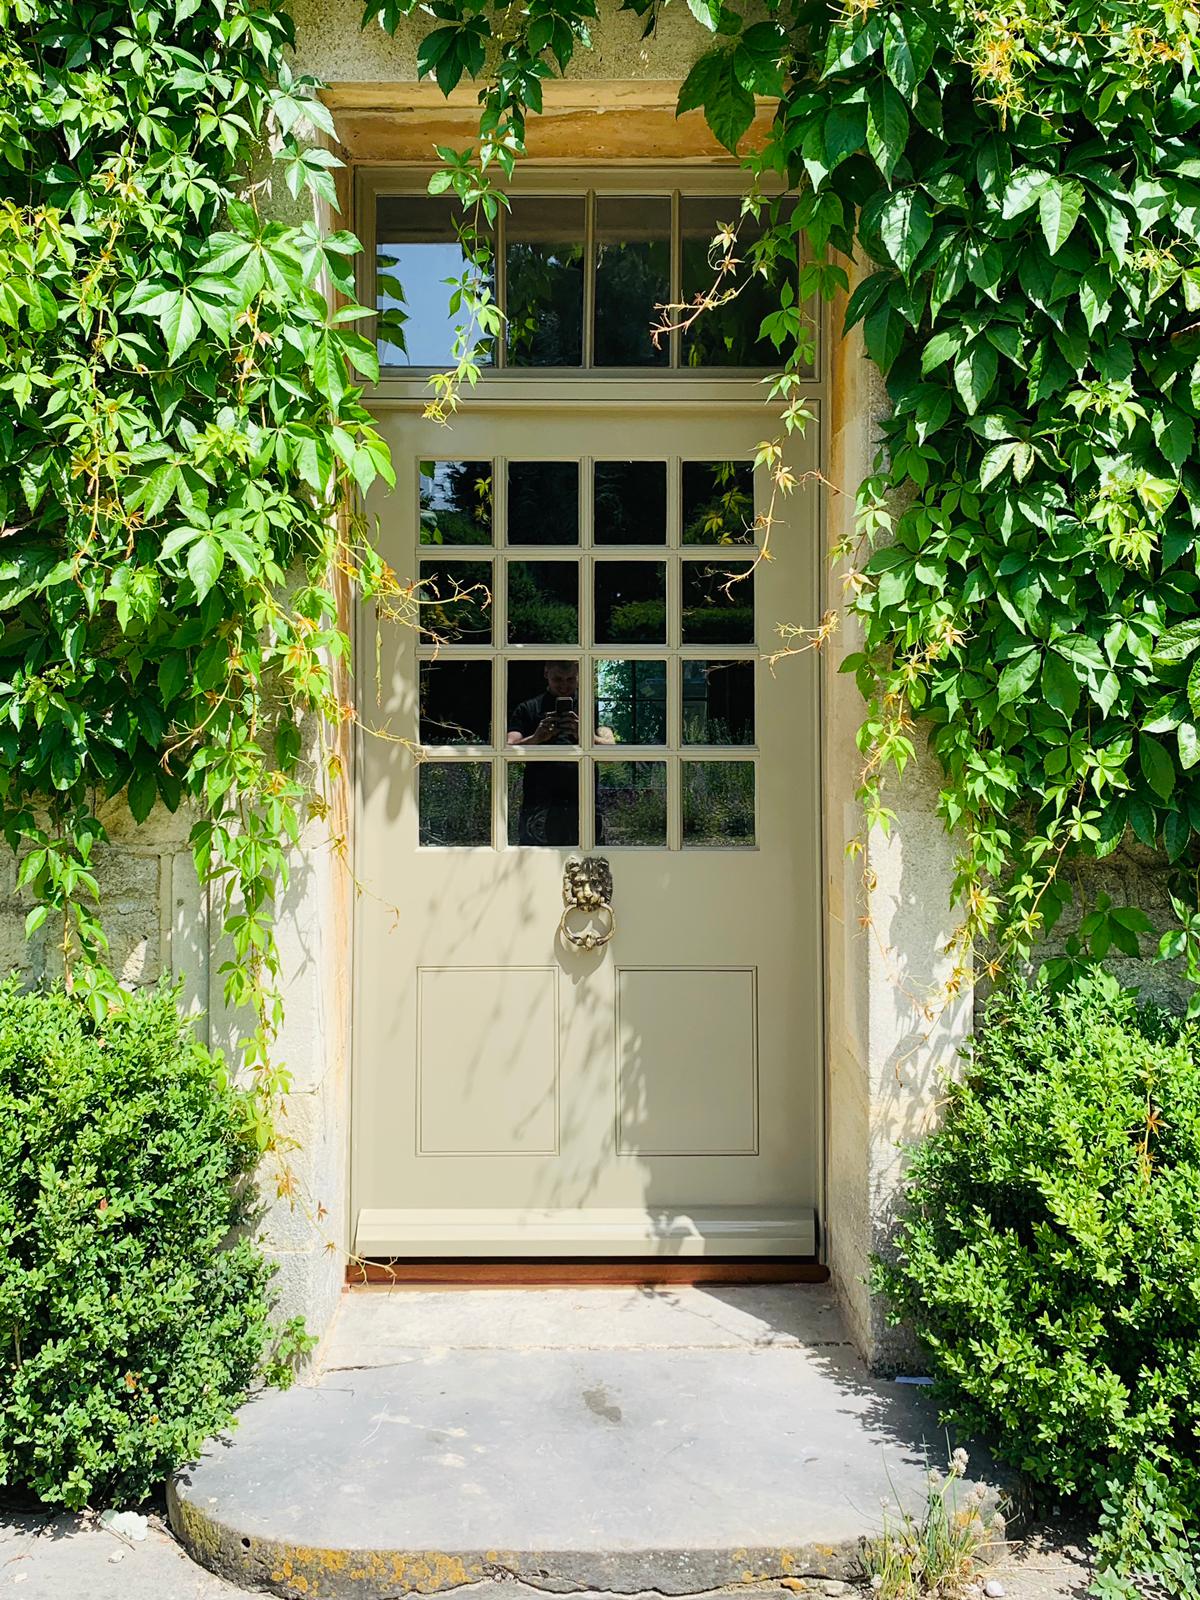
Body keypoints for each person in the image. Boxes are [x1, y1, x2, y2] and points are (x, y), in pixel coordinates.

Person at [507, 662, 614, 845]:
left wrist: (585, 736)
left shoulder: (591, 707)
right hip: (540, 802)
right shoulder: (528, 708)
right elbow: (507, 750)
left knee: (588, 862)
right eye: (558, 679)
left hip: (584, 801)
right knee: (536, 861)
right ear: (546, 673)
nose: (564, 685)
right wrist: (537, 738)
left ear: (578, 676)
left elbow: (611, 751)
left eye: (570, 679)